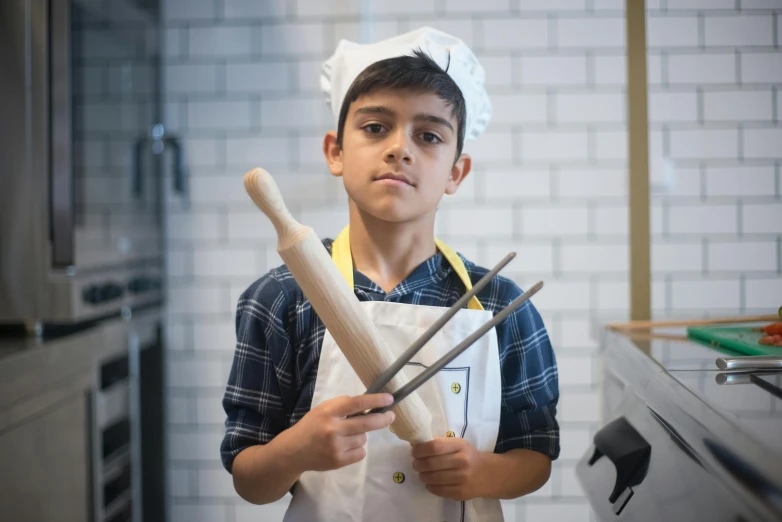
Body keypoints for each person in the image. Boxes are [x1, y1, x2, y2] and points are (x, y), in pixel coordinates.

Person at [220, 26, 560, 522]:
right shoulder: (281, 298)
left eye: (428, 135)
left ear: (455, 173)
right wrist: (298, 448)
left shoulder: (501, 305)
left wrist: (485, 474)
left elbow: (535, 453)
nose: (400, 148)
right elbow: (249, 478)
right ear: (335, 151)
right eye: (376, 127)